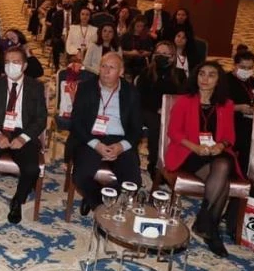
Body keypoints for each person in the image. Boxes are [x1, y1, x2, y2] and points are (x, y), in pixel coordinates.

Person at [165, 61, 240, 257]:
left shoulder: (226, 105)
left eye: (211, 75)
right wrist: (196, 148)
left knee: (223, 164)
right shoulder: (185, 101)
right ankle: (208, 226)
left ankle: (206, 221)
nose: (205, 79)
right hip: (188, 152)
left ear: (218, 80)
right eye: (202, 74)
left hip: (215, 154)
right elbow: (174, 132)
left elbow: (230, 137)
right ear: (196, 77)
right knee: (223, 178)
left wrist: (219, 146)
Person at [0, 47, 47, 231]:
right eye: (7, 62)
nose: (10, 66)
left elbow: (41, 119)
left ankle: (17, 201)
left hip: (23, 133)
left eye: (16, 62)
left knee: (32, 168)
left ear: (25, 66)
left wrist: (23, 138)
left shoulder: (35, 87)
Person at [67, 52, 142, 215]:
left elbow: (137, 129)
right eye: (103, 66)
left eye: (112, 67)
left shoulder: (131, 93)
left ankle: (94, 196)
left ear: (121, 72)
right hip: (91, 138)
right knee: (80, 177)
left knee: (133, 183)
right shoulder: (86, 88)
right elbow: (77, 123)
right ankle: (101, 207)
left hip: (119, 140)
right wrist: (97, 145)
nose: (106, 71)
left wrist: (121, 147)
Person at [136, 40, 187, 181]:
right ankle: (155, 164)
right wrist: (157, 108)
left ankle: (173, 163)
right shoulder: (147, 72)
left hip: (171, 111)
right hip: (149, 110)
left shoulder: (179, 75)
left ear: (172, 56)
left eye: (164, 53)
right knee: (157, 126)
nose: (160, 56)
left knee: (179, 126)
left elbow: (182, 97)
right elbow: (140, 97)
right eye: (158, 53)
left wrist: (167, 109)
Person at [226, 46, 254, 176]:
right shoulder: (224, 81)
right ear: (235, 65)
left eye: (250, 68)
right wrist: (237, 107)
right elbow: (215, 105)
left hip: (251, 125)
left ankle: (247, 176)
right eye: (243, 67)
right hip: (230, 123)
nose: (246, 71)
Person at [120, 16, 153, 81]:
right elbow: (119, 50)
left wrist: (145, 53)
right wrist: (130, 53)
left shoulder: (147, 37)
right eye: (138, 26)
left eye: (142, 26)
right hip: (127, 64)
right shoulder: (126, 36)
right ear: (133, 25)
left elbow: (150, 51)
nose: (140, 28)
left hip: (141, 65)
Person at [49, 0, 75, 68]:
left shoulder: (76, 14)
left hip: (73, 37)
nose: (67, 3)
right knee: (55, 44)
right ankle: (57, 67)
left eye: (69, 1)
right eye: (64, 2)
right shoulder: (56, 14)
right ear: (62, 3)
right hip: (60, 38)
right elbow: (53, 30)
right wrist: (58, 38)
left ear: (72, 3)